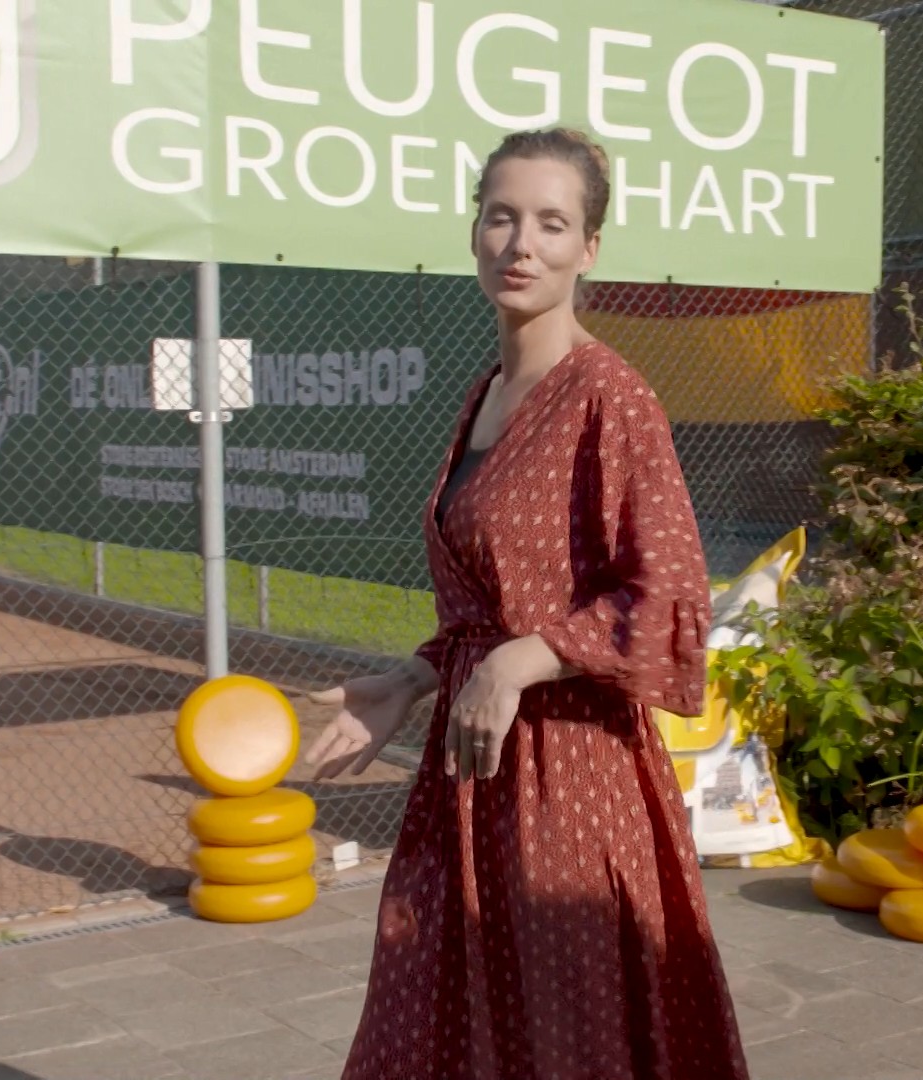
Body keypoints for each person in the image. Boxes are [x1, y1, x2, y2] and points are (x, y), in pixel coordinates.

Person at [303, 127, 751, 1080]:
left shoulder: (610, 396)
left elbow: (670, 595)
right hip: (471, 774)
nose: (521, 244)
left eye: (552, 223)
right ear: (474, 231)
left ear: (589, 248)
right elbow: (490, 606)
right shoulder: (487, 393)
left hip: (571, 779)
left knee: (564, 1030)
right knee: (446, 1015)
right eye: (501, 216)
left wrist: (525, 659)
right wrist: (411, 680)